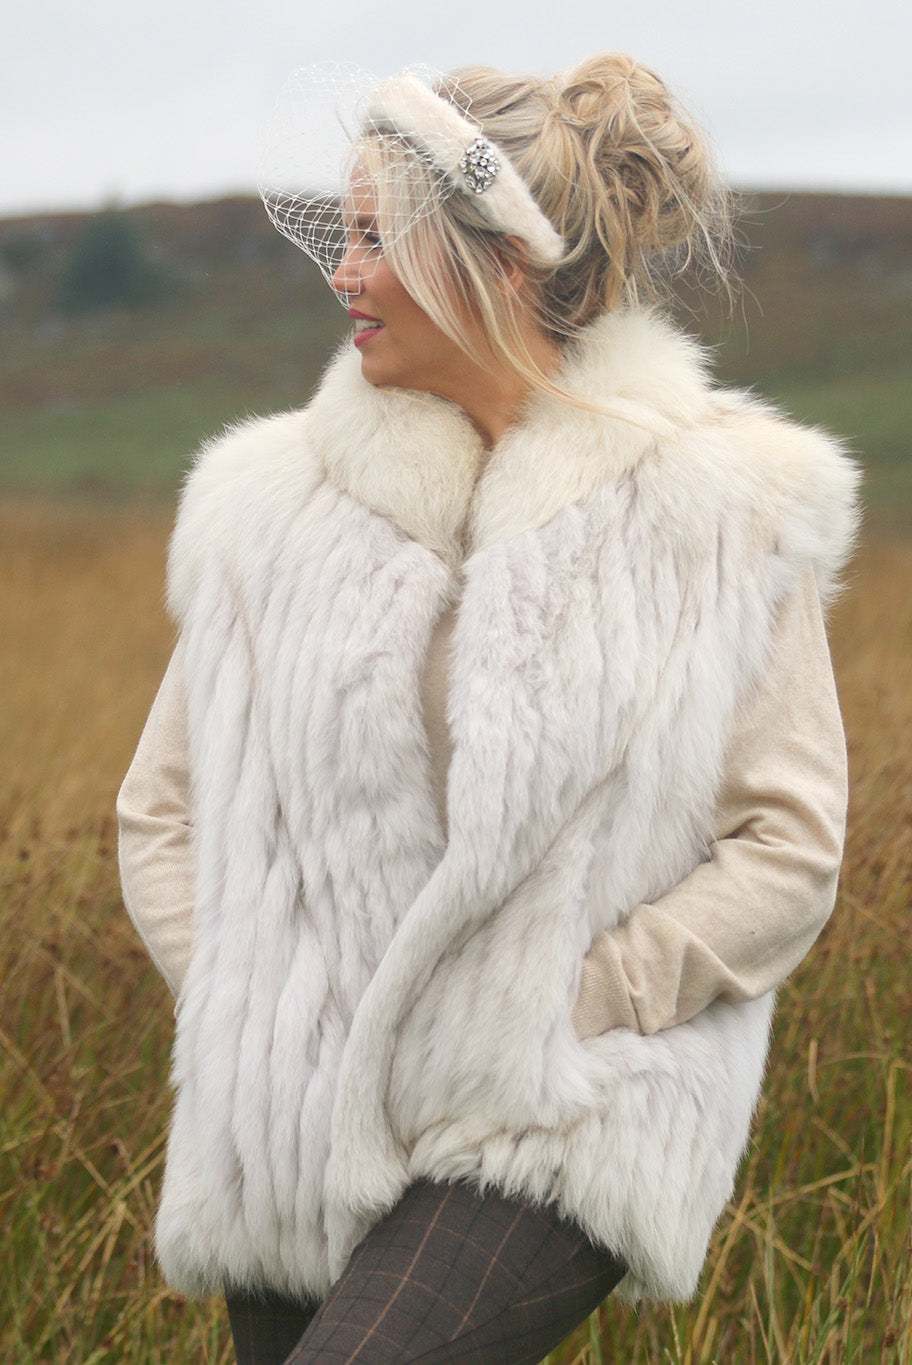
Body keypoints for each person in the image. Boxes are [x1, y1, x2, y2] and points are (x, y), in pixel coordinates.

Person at [117, 54, 859, 1364]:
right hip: (292, 1117)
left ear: (497, 263)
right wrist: (258, 1003)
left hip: (557, 1106)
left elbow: (788, 846)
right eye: (338, 239)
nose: (340, 276)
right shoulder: (267, 511)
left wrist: (577, 999)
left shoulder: (722, 514)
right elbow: (161, 813)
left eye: (370, 239)